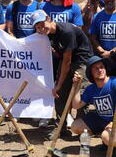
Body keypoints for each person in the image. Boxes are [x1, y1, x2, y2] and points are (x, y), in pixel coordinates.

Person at [31, 10, 93, 139]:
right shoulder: (47, 34)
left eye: (42, 24)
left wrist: (58, 84)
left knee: (80, 94)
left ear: (48, 18)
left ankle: (83, 129)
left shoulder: (66, 31)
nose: (41, 29)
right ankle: (61, 127)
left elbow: (67, 62)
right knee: (59, 96)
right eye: (37, 27)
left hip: (81, 60)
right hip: (66, 61)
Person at [71, 56, 116, 157]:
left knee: (106, 137)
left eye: (101, 67)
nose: (100, 70)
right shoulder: (91, 89)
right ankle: (107, 143)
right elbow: (76, 105)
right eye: (96, 68)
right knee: (75, 126)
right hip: (102, 120)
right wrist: (77, 86)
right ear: (91, 73)